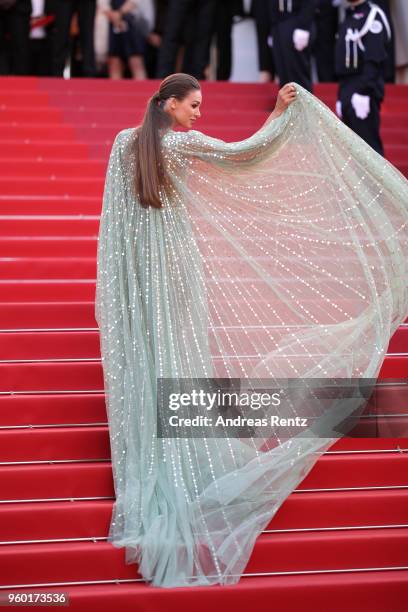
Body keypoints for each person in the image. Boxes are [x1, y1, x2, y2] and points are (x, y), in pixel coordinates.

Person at [95, 72, 408, 588]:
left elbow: (114, 221)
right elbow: (247, 154)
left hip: (139, 276)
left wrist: (116, 287)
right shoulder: (181, 145)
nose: (198, 113)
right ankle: (179, 456)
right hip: (174, 270)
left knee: (154, 359)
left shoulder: (122, 144)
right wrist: (283, 113)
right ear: (169, 105)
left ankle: (156, 455)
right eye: (193, 105)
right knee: (177, 358)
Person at [334, 0, 392, 156]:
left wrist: (363, 91)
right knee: (351, 153)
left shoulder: (373, 15)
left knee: (369, 149)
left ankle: (377, 182)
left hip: (364, 88)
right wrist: (341, 95)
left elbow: (374, 58)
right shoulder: (349, 15)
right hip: (347, 87)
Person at [267, 0, 315, 92]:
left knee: (297, 72)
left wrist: (304, 26)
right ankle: (288, 105)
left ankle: (303, 105)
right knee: (283, 72)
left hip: (296, 20)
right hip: (279, 22)